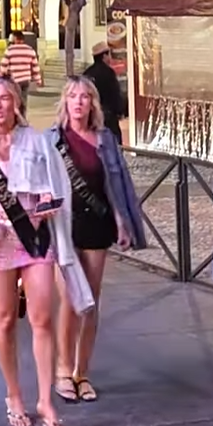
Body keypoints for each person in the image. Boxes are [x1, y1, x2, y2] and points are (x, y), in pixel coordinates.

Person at [0, 75, 92, 426]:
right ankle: (14, 394)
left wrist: (50, 205)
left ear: (17, 102)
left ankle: (46, 402)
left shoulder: (37, 141)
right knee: (5, 320)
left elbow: (55, 187)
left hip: (34, 237)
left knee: (41, 319)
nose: (0, 105)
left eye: (6, 98)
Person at [47, 77, 146, 403]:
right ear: (65, 102)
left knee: (90, 303)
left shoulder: (105, 139)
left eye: (85, 97)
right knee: (71, 300)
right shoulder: (52, 140)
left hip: (97, 223)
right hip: (63, 226)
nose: (78, 102)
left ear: (93, 103)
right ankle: (62, 370)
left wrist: (122, 221)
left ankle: (82, 372)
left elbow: (115, 186)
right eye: (73, 96)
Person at [83, 41, 125, 144]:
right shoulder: (108, 72)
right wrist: (120, 111)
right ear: (104, 56)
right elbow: (115, 94)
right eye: (109, 54)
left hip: (91, 118)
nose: (110, 58)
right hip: (108, 118)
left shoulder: (87, 73)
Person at [0, 31, 42, 109]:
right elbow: (35, 67)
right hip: (26, 79)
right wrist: (38, 80)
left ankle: (17, 118)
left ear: (15, 39)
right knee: (24, 101)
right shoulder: (30, 50)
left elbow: (3, 66)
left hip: (14, 80)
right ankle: (23, 118)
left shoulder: (10, 50)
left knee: (15, 101)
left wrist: (1, 78)